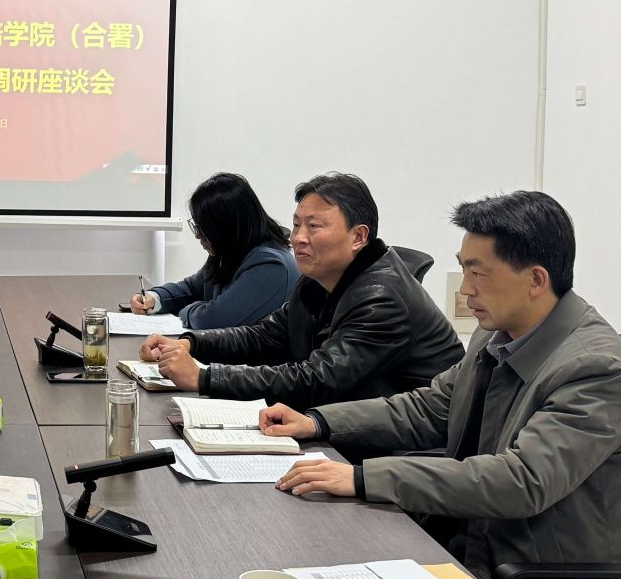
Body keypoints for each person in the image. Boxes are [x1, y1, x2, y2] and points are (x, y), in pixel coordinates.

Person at [268, 191, 621, 579]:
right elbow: (432, 406)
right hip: (476, 555)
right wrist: (318, 422)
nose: (465, 289)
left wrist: (365, 477)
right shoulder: (499, 333)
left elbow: (521, 481)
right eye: (463, 268)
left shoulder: (594, 369)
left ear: (536, 280)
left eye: (479, 273)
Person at [141, 172, 461, 413]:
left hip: (397, 447)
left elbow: (316, 379)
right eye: (296, 225)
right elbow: (265, 336)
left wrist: (204, 377)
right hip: (339, 420)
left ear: (358, 237)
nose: (298, 238)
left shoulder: (382, 299)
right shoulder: (318, 279)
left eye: (313, 226)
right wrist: (191, 343)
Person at [129, 172, 298, 330]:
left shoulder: (272, 267)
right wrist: (154, 298)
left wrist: (186, 310)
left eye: (203, 228)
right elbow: (191, 288)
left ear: (226, 228)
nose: (197, 235)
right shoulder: (230, 252)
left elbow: (211, 320)